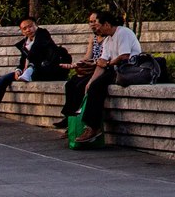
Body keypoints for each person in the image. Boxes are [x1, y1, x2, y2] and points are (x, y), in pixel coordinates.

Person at [57, 10, 141, 147]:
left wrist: (107, 64)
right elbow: (101, 62)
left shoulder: (123, 33)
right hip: (114, 69)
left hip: (128, 69)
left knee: (97, 87)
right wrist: (90, 81)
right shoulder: (108, 39)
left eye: (98, 25)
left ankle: (93, 127)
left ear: (107, 24)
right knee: (89, 85)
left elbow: (124, 56)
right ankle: (77, 120)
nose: (97, 28)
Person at [0, 17, 70, 125]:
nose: (28, 29)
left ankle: (30, 71)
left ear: (36, 26)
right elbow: (22, 62)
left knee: (32, 64)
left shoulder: (43, 35)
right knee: (3, 80)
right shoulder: (24, 44)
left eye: (30, 26)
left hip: (49, 70)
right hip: (29, 72)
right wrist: (18, 70)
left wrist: (30, 66)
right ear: (22, 31)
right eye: (24, 28)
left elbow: (37, 50)